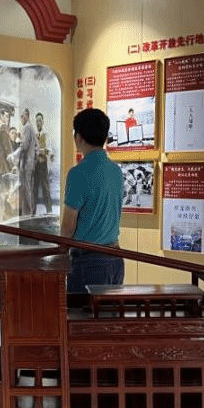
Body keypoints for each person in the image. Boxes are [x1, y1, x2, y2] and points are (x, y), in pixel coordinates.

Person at [61, 108, 124, 294]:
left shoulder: (78, 173)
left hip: (89, 262)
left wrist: (60, 253)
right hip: (115, 258)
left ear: (78, 137)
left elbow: (68, 226)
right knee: (108, 312)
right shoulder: (116, 171)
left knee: (81, 312)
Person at [18, 108, 38, 216]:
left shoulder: (27, 127)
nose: (21, 118)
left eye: (23, 116)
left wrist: (19, 143)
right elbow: (37, 146)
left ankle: (27, 213)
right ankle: (30, 212)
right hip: (31, 163)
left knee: (26, 188)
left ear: (26, 116)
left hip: (26, 163)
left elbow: (24, 146)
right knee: (29, 187)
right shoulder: (32, 128)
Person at [33, 112, 53, 213]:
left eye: (40, 120)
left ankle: (49, 211)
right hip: (35, 165)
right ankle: (32, 213)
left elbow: (48, 150)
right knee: (34, 188)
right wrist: (40, 151)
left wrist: (39, 151)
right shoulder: (34, 135)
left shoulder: (46, 135)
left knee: (46, 188)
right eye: (37, 121)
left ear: (43, 122)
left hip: (44, 164)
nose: (38, 123)